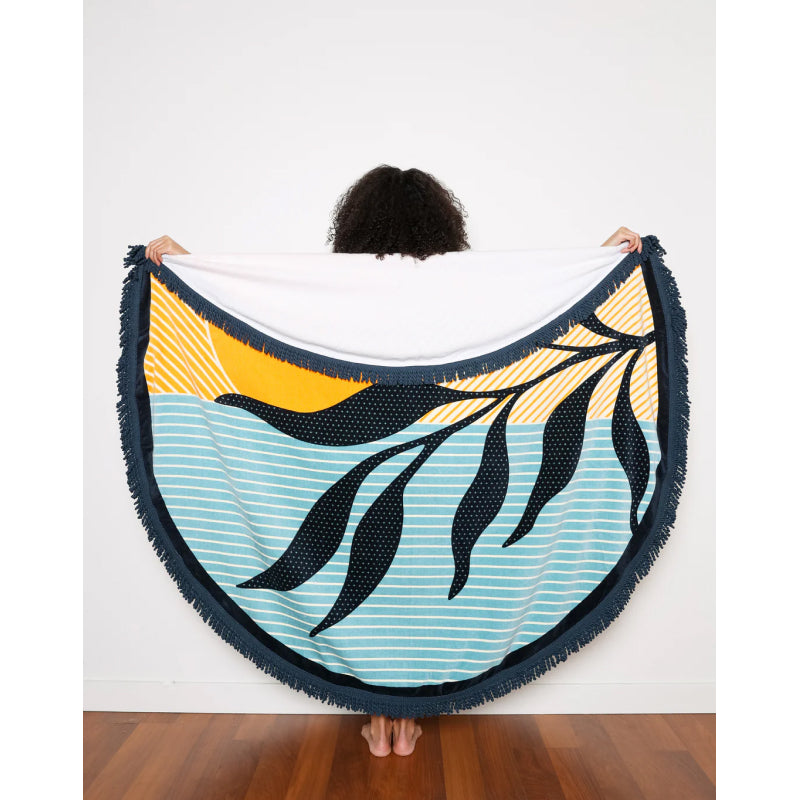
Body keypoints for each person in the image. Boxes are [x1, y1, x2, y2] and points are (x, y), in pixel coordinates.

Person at [144, 165, 643, 757]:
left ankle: (379, 724)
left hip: (357, 439)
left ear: (355, 222)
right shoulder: (463, 284)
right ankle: (409, 724)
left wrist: (183, 266)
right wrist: (609, 259)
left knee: (366, 582)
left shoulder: (338, 285)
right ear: (443, 221)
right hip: (455, 447)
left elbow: (255, 308)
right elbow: (538, 302)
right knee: (425, 579)